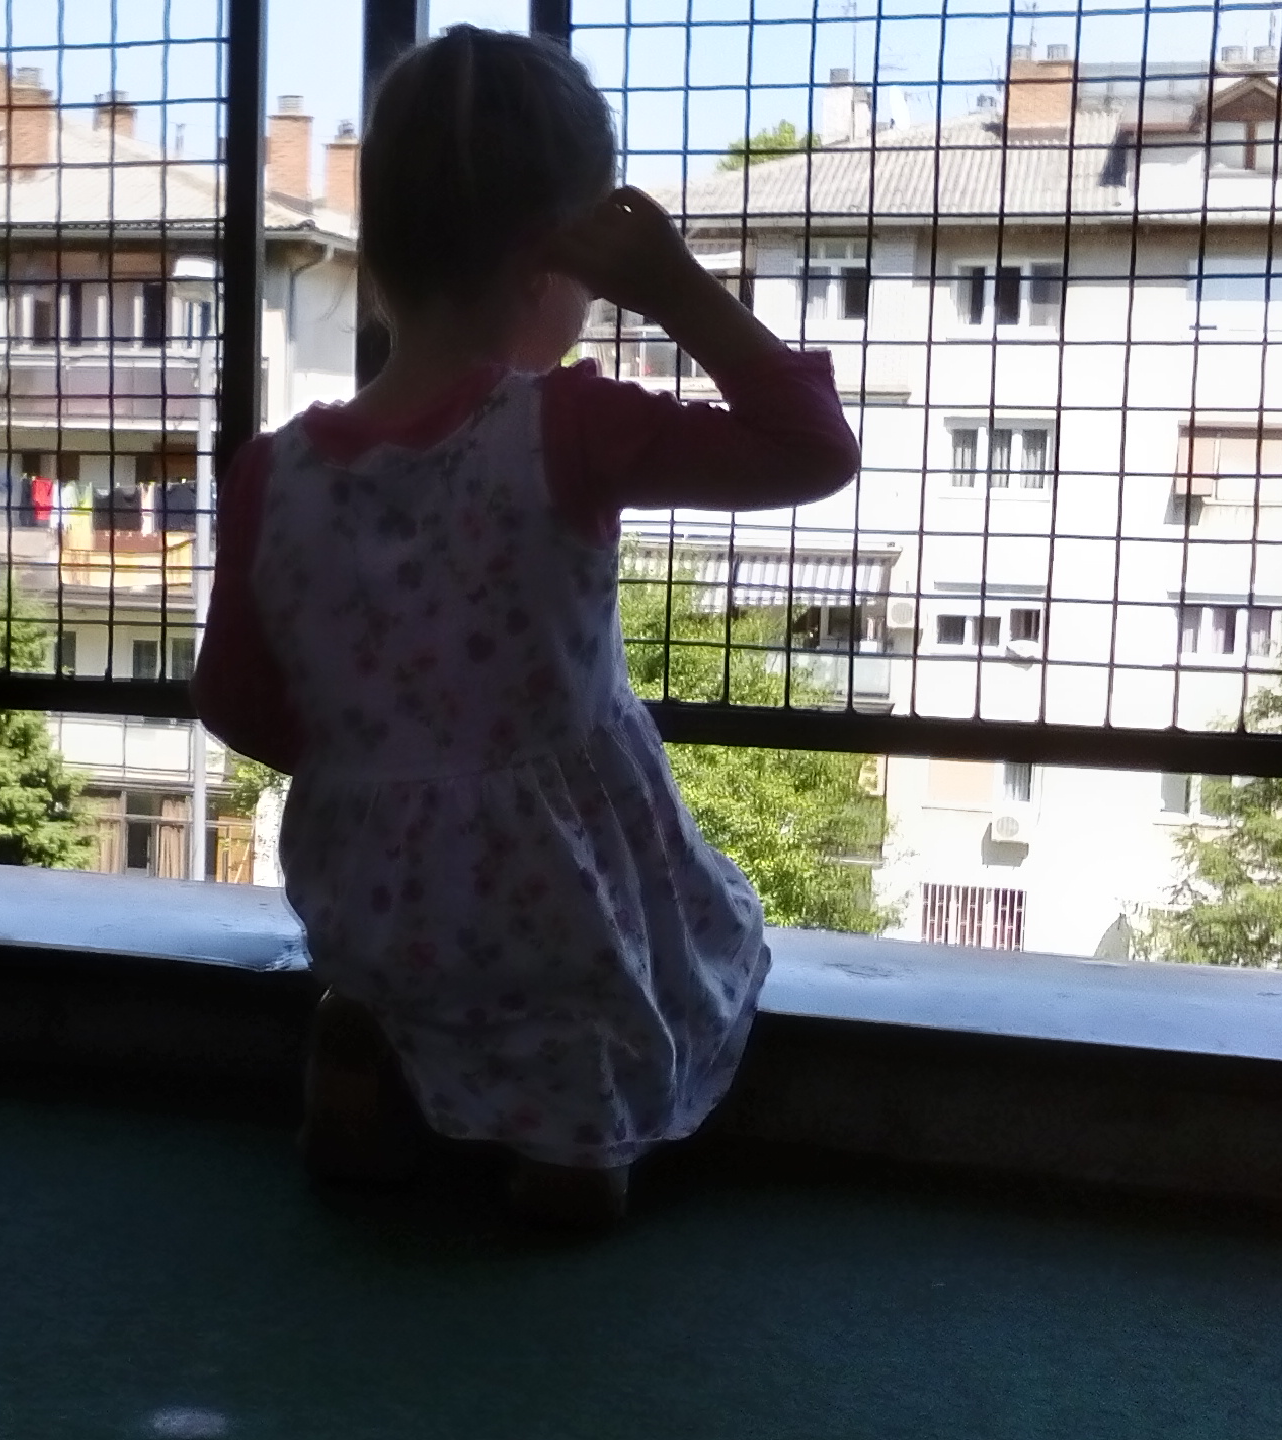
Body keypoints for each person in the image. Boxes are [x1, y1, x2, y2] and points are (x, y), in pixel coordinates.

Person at [191, 26, 860, 1229]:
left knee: (405, 979)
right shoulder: (563, 427)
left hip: (366, 891)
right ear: (557, 261)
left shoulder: (272, 471)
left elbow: (234, 704)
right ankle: (570, 1155)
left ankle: (367, 1049)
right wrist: (678, 286)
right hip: (549, 895)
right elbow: (811, 450)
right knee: (656, 960)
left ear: (379, 253)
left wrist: (385, 762)